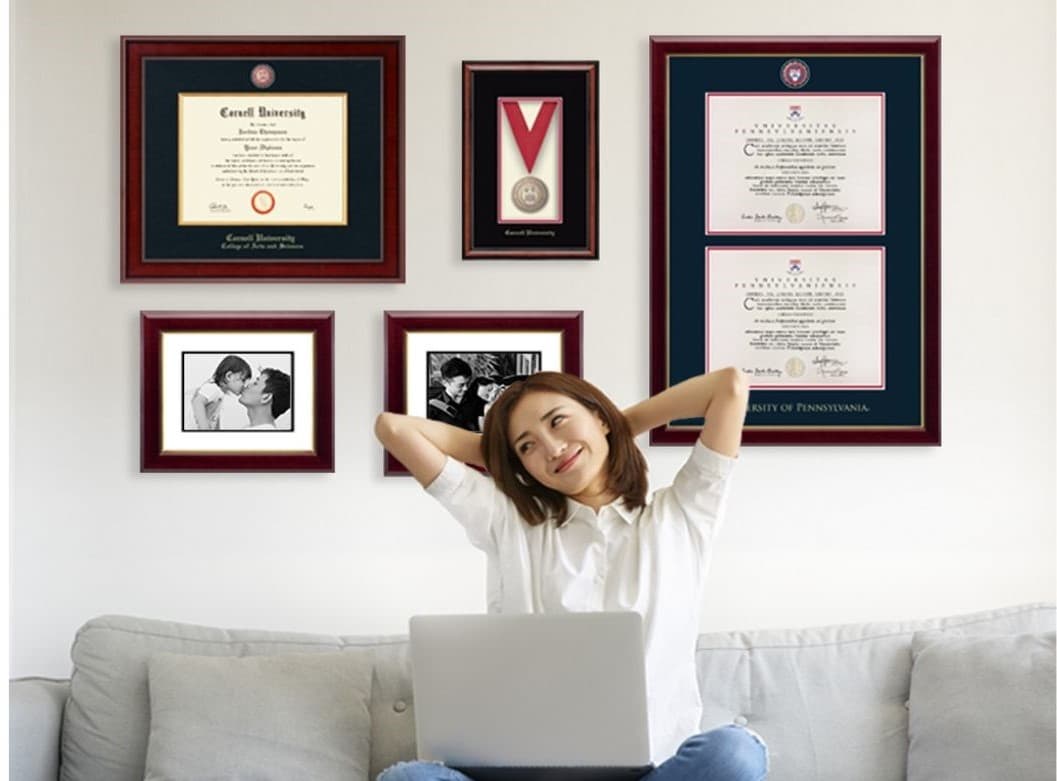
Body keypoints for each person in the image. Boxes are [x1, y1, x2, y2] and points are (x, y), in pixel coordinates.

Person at [374, 368, 767, 781]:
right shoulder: (508, 523)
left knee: (735, 754)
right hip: (526, 771)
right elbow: (393, 429)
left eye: (558, 421)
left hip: (651, 772)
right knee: (409, 779)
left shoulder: (684, 514)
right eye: (527, 446)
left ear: (599, 416)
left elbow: (729, 386)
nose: (553, 448)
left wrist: (618, 424)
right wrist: (504, 455)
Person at [190, 355, 252, 431]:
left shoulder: (219, 394)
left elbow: (215, 419)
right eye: (243, 380)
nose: (244, 385)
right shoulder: (213, 388)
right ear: (229, 376)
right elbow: (197, 402)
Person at [426, 357, 473, 428]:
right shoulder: (432, 409)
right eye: (461, 385)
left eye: (468, 383)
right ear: (445, 383)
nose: (466, 388)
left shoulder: (475, 401)